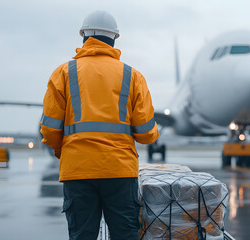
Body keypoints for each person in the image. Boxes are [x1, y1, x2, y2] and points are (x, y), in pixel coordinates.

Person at [40, 10, 159, 240]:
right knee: (125, 235)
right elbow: (146, 133)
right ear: (115, 38)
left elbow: (50, 128)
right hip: (119, 172)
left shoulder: (63, 73)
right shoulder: (133, 76)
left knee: (82, 235)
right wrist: (151, 133)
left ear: (83, 35)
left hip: (78, 172)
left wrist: (62, 151)